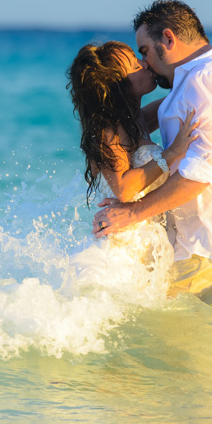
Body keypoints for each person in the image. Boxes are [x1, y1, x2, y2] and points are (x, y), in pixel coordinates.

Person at [92, 0, 212, 308]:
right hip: (204, 254)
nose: (144, 63)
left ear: (169, 39)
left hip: (203, 255)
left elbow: (198, 176)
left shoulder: (205, 81)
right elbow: (136, 126)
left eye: (144, 51)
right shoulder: (211, 72)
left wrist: (131, 213)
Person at [66, 41, 198, 281]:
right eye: (133, 65)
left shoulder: (137, 120)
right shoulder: (109, 129)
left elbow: (180, 98)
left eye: (140, 58)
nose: (144, 64)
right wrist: (173, 152)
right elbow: (125, 189)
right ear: (118, 84)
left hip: (146, 244)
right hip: (122, 252)